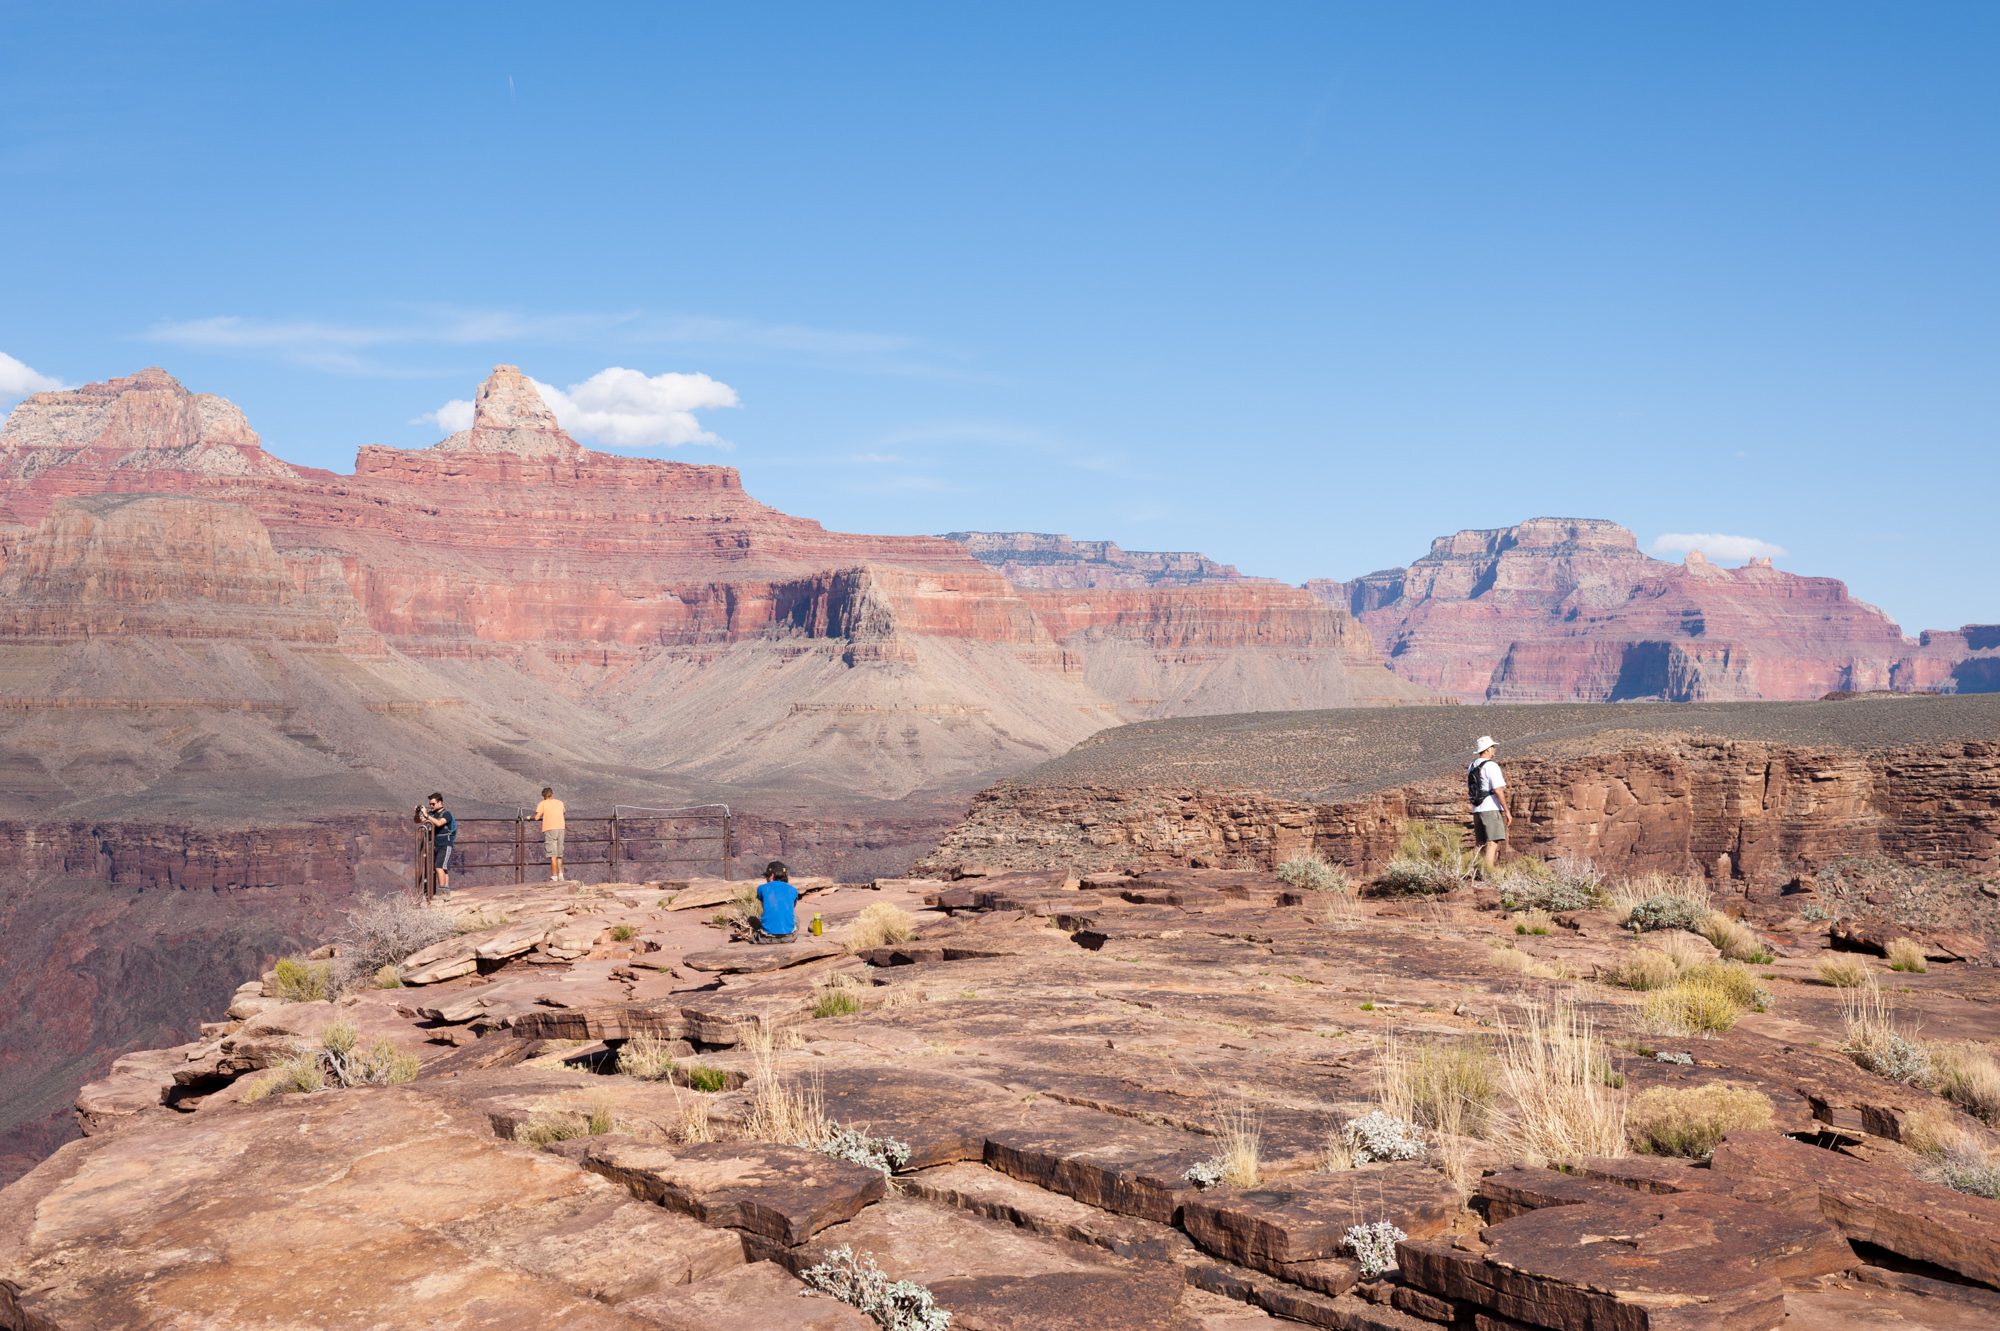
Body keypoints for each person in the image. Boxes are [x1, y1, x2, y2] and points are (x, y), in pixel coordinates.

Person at [1467, 736, 1509, 869]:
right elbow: (1498, 790)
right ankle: (1487, 873)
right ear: (1488, 749)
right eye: (1493, 747)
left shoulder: (1472, 765)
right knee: (1492, 842)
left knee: (1480, 843)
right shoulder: (1491, 766)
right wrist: (1507, 810)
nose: (1494, 750)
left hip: (1477, 808)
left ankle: (1469, 870)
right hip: (1490, 808)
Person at [753, 860, 799, 943]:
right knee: (796, 918)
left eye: (767, 876)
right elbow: (792, 907)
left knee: (753, 919)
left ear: (772, 876)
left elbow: (764, 906)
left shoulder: (762, 888)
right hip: (789, 938)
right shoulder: (793, 890)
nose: (766, 879)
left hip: (766, 939)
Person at [419, 792, 457, 891]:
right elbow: (418, 821)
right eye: (430, 804)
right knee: (442, 868)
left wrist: (427, 815)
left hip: (445, 844)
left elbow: (439, 823)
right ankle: (445, 890)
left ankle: (442, 890)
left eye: (433, 804)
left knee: (439, 867)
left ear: (440, 802)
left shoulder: (446, 814)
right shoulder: (431, 814)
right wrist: (419, 813)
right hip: (434, 845)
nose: (431, 806)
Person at [533, 785, 566, 883]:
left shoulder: (542, 803)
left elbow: (537, 817)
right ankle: (561, 875)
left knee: (552, 854)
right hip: (561, 828)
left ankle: (554, 876)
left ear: (543, 795)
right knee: (560, 853)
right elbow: (564, 813)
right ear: (552, 794)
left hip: (550, 829)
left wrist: (529, 817)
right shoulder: (560, 803)